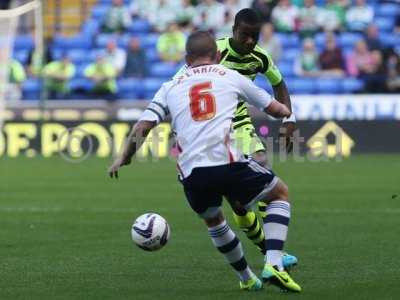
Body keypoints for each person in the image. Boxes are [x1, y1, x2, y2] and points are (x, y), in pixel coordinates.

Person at [108, 30, 302, 293]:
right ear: (219, 55)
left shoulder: (170, 85)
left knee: (215, 221)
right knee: (279, 194)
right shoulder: (230, 76)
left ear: (186, 58)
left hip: (192, 172)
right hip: (229, 163)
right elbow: (278, 109)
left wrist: (124, 157)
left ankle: (246, 278)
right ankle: (274, 264)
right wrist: (286, 116)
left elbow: (143, 126)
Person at [173, 8, 298, 269]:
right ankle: (267, 250)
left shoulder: (260, 57)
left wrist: (288, 119)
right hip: (207, 128)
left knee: (263, 165)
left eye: (255, 36)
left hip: (238, 122)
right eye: (245, 36)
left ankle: (273, 254)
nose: (250, 42)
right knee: (239, 206)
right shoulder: (215, 52)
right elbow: (180, 82)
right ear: (233, 32)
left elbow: (279, 84)